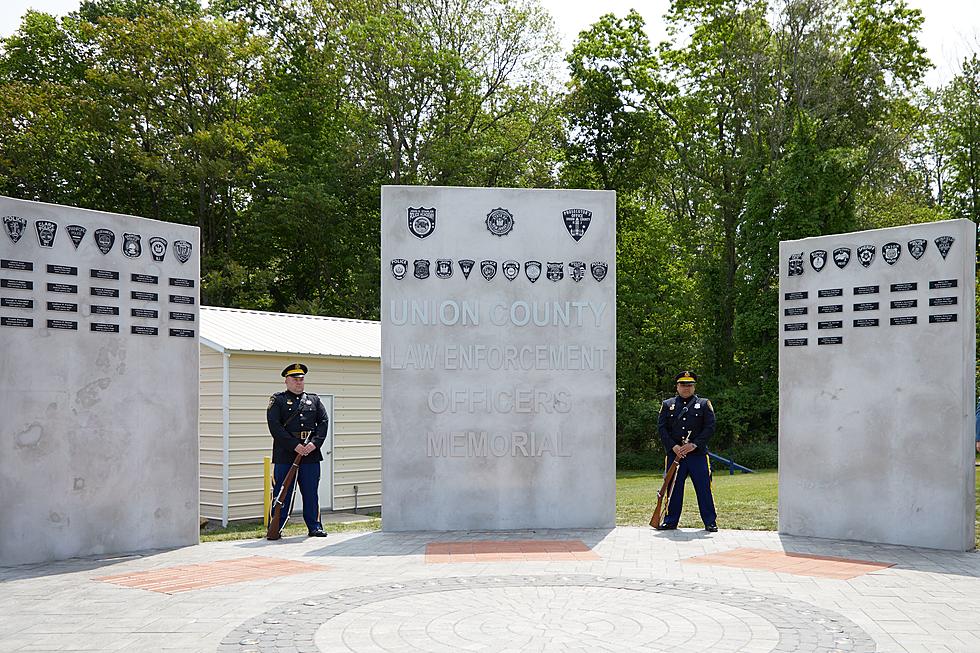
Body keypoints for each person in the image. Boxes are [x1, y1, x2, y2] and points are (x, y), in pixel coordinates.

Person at [267, 363, 330, 537]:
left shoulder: (314, 400)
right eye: (295, 379)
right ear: (286, 380)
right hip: (286, 454)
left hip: (310, 454)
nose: (299, 383)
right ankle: (276, 527)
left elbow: (323, 423)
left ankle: (315, 526)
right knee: (282, 491)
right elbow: (275, 426)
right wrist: (294, 445)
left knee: (311, 492)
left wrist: (314, 444)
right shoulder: (278, 400)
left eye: (301, 379)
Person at [655, 370, 718, 532]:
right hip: (675, 455)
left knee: (704, 488)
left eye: (689, 385)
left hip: (697, 455)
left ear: (694, 387)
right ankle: (670, 521)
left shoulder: (704, 404)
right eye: (683, 385)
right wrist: (674, 447)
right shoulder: (667, 405)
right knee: (673, 489)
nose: (686, 388)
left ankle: (710, 522)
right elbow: (662, 429)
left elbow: (710, 427)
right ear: (677, 387)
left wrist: (694, 444)